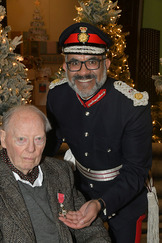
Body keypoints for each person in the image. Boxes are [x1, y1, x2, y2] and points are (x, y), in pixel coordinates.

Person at [45, 22, 152, 243]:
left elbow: (136, 171)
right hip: (79, 193)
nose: (83, 72)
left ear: (107, 63)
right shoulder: (57, 95)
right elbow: (50, 144)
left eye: (92, 62)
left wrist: (101, 204)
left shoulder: (132, 105)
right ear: (65, 67)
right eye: (74, 63)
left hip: (125, 198)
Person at [0, 105, 111, 243]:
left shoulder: (60, 171)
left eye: (38, 139)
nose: (31, 149)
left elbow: (92, 230)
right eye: (21, 139)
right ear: (3, 138)